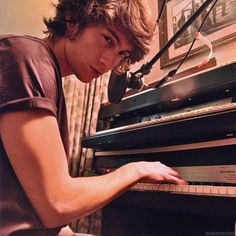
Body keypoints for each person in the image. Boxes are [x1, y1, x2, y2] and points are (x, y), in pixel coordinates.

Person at [0, 0, 186, 235]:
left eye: (122, 53)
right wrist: (134, 170)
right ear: (72, 20)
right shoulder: (26, 58)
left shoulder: (43, 69)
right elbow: (57, 204)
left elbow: (26, 205)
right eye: (108, 39)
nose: (109, 62)